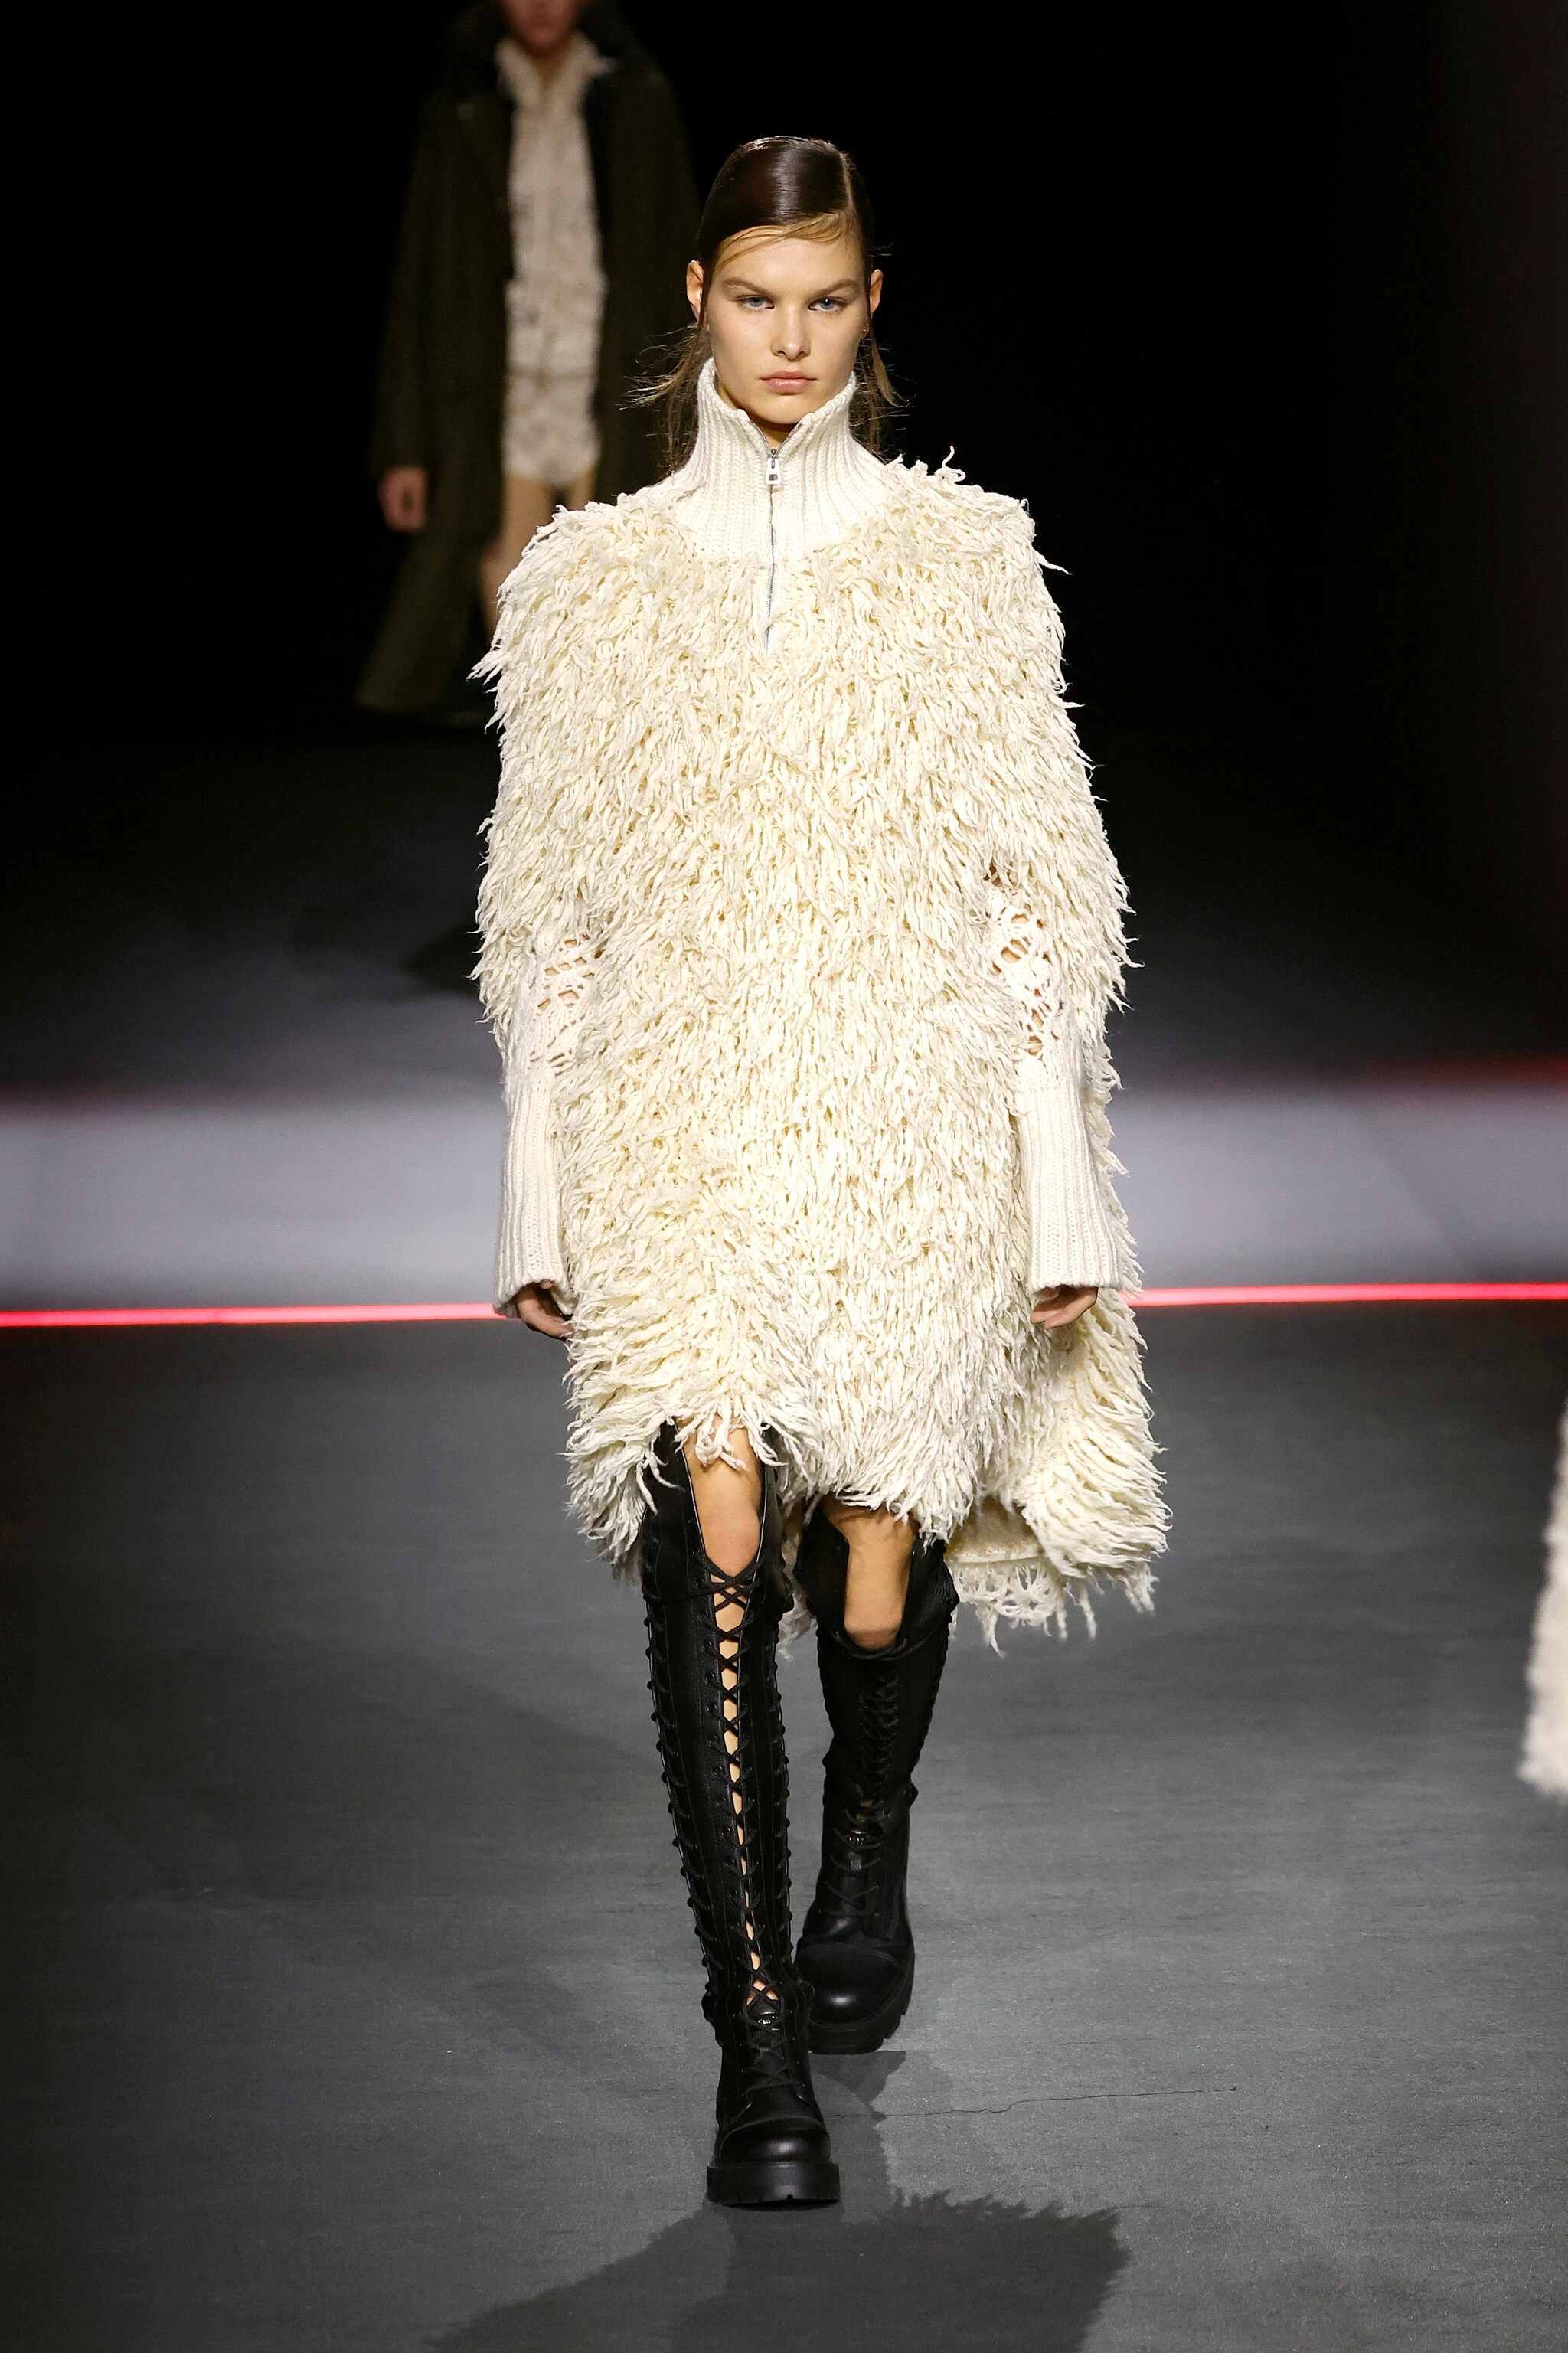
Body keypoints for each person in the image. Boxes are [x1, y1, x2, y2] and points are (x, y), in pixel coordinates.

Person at [478, 137, 1166, 2208]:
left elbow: (1039, 893)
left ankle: (870, 1839)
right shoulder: (591, 583)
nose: (789, 341)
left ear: (873, 308)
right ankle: (754, 2040)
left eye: (827, 300)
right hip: (680, 1112)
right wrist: (536, 1193)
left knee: (873, 1540)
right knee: (710, 1514)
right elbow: (548, 911)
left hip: (907, 1110)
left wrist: (1055, 1183)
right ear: (697, 296)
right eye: (757, 299)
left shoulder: (964, 561)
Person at [358, 0, 697, 714]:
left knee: (613, 597)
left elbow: (679, 255)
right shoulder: (464, 105)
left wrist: (690, 412)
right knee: (515, 618)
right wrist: (406, 446)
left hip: (609, 384)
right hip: (496, 393)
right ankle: (541, 765)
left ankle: (604, 765)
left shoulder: (635, 97)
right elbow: (421, 273)